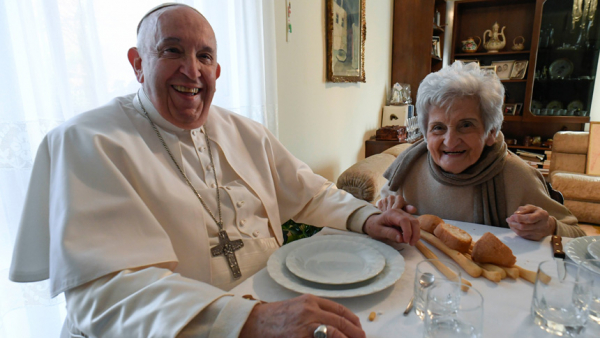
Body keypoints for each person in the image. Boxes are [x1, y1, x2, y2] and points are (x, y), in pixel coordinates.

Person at [9, 3, 419, 338]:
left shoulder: (244, 131)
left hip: (272, 307)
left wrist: (367, 217)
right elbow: (103, 292)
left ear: (217, 72)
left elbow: (309, 190)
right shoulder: (88, 141)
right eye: (172, 51)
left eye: (204, 56)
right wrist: (246, 320)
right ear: (137, 63)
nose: (192, 70)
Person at [377, 61, 585, 241]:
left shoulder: (516, 175)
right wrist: (386, 211)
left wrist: (549, 227)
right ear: (425, 133)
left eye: (466, 125)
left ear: (491, 132)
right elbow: (378, 214)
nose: (450, 141)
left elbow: (577, 235)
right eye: (438, 128)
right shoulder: (409, 167)